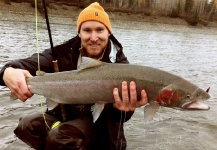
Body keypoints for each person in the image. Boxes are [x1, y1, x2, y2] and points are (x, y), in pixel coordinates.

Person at [0, 2, 148, 150]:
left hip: (101, 130)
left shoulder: (121, 66)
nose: (94, 37)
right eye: (87, 30)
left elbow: (120, 119)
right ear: (79, 33)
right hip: (66, 121)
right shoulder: (63, 52)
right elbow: (31, 63)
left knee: (59, 137)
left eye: (99, 30)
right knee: (27, 125)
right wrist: (8, 71)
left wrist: (122, 109)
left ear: (109, 32)